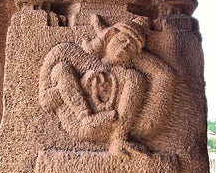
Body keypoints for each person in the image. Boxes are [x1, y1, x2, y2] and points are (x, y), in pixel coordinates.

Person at [39, 15, 150, 156]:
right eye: (121, 40)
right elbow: (46, 102)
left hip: (103, 124)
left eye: (131, 47)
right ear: (110, 36)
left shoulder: (129, 77)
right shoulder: (67, 52)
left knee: (136, 79)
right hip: (75, 121)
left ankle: (119, 138)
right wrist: (81, 86)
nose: (124, 48)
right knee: (60, 69)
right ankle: (84, 115)